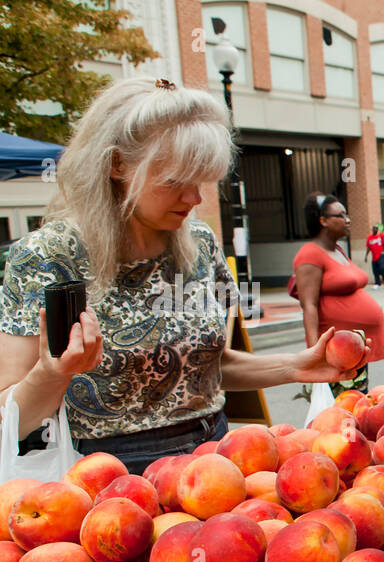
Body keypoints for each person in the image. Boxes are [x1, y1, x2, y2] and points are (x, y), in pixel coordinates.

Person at [0, 76, 345, 474]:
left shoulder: (199, 242)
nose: (195, 198)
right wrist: (52, 372)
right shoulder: (47, 256)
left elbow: (208, 367)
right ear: (116, 164)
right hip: (106, 478)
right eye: (175, 181)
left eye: (201, 180)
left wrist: (295, 366)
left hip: (215, 462)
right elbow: (13, 415)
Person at [293, 194, 384, 396]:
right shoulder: (310, 253)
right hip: (337, 351)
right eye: (341, 215)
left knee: (359, 399)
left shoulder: (337, 250)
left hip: (354, 346)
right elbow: (309, 305)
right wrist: (314, 353)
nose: (348, 220)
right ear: (323, 220)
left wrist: (377, 327)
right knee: (345, 404)